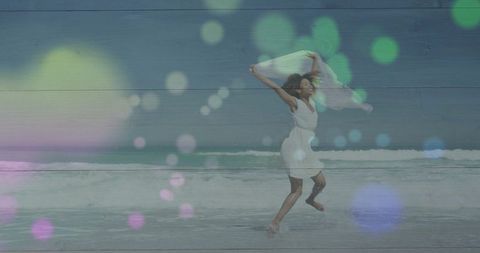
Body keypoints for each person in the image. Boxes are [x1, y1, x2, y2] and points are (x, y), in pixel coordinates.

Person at [249, 52, 327, 234]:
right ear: (299, 90)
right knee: (297, 189)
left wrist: (315, 60)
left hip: (305, 146)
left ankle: (311, 200)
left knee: (321, 182)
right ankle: (275, 223)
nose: (310, 86)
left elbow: (313, 76)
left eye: (309, 85)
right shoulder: (295, 103)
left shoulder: (312, 103)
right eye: (305, 85)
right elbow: (276, 88)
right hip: (294, 145)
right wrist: (257, 73)